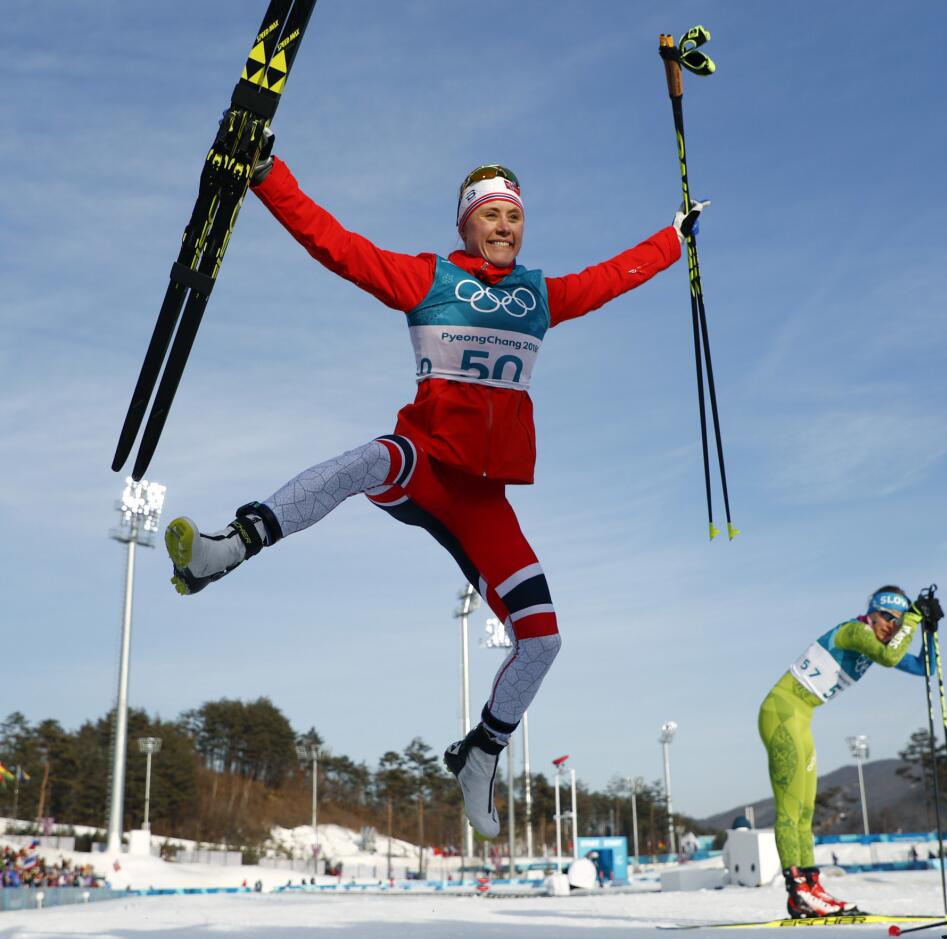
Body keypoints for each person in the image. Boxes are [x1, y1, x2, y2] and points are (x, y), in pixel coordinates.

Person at [163, 147, 704, 839]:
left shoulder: (540, 296)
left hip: (484, 501)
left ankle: (481, 753)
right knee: (370, 459)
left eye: (514, 216)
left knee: (543, 639)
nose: (505, 226)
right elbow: (335, 243)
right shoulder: (430, 278)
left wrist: (673, 238)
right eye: (491, 216)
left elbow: (609, 278)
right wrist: (268, 176)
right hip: (426, 462)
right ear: (466, 225)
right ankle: (228, 549)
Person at [757, 585, 942, 918]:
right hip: (782, 711)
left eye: (897, 624)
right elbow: (890, 657)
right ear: (872, 613)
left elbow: (922, 668)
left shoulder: (876, 644)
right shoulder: (855, 631)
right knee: (790, 809)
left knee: (804, 814)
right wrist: (914, 617)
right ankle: (797, 892)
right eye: (888, 618)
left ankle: (811, 887)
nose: (892, 627)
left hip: (801, 716)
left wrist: (928, 631)